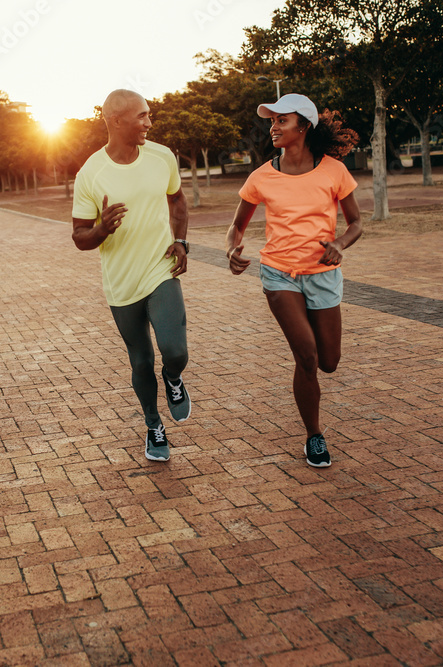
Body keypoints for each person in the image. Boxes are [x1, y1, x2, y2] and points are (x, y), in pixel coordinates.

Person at [225, 94, 363, 468]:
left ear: (303, 126)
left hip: (323, 275)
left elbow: (355, 224)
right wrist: (232, 249)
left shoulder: (334, 171)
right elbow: (237, 226)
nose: (273, 127)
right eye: (272, 121)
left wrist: (339, 244)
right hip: (278, 273)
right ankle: (314, 436)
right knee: (307, 356)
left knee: (329, 362)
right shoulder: (262, 176)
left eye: (281, 120)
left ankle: (314, 407)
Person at [71, 89, 191, 463]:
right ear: (116, 120)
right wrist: (102, 229)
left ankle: (173, 378)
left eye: (149, 115)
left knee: (175, 350)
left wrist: (182, 241)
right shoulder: (91, 173)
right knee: (140, 361)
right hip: (121, 282)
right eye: (142, 116)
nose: (149, 123)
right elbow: (79, 236)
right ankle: (153, 425)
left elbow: (177, 200)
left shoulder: (161, 156)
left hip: (160, 267)